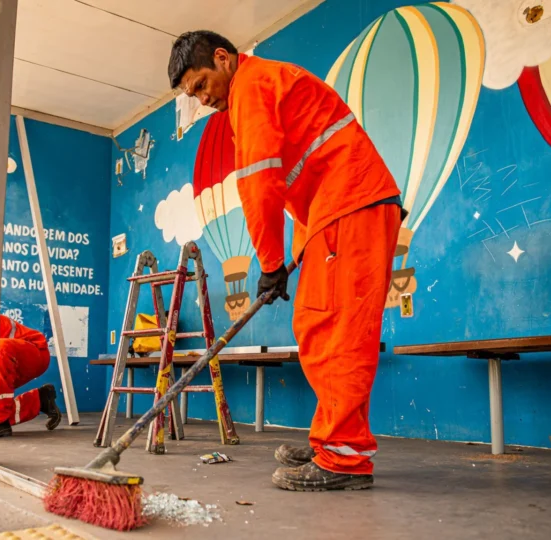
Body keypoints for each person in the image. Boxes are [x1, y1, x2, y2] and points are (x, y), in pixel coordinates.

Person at [169, 31, 405, 491]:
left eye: (201, 85)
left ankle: (344, 457)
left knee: (337, 332)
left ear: (223, 59)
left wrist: (271, 263)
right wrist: (293, 255)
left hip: (350, 206)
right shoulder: (262, 83)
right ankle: (331, 440)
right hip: (337, 210)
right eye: (193, 95)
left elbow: (259, 180)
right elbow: (302, 170)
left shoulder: (250, 87)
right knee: (317, 326)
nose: (202, 99)